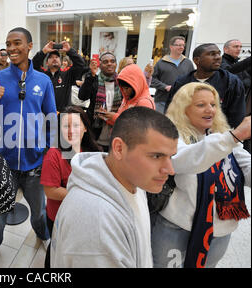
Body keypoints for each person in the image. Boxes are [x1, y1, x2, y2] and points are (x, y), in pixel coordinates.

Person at [51, 106, 179, 267]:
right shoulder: (96, 225)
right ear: (119, 149)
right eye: (156, 156)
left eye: (170, 157)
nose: (170, 170)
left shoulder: (133, 181)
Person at [152, 82, 251, 268]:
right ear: (184, 108)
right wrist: (233, 137)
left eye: (213, 104)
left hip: (220, 230)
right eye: (201, 105)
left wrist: (231, 139)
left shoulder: (224, 136)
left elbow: (247, 167)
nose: (210, 110)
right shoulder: (172, 135)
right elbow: (182, 161)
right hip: (176, 226)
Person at [0, 27, 57, 252]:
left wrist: (49, 151)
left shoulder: (43, 81)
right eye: (8, 44)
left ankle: (44, 236)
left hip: (35, 165)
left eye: (17, 43)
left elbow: (50, 118)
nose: (11, 48)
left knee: (40, 212)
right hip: (4, 165)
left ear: (30, 45)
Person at [40, 105, 101, 268]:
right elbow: (50, 190)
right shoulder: (54, 154)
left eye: (75, 125)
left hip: (82, 215)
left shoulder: (91, 151)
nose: (71, 130)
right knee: (56, 250)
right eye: (66, 126)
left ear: (85, 128)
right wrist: (83, 195)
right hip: (59, 216)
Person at [165, 43, 245, 129]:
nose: (218, 57)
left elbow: (237, 117)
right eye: (212, 54)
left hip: (219, 136)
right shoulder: (181, 82)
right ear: (196, 60)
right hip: (187, 135)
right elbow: (171, 111)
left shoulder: (231, 82)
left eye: (219, 53)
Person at [78, 52, 122, 151]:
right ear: (100, 65)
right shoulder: (94, 80)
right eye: (105, 62)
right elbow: (82, 96)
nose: (109, 64)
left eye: (112, 61)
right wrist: (91, 75)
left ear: (116, 64)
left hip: (115, 133)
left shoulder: (121, 82)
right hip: (95, 132)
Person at [32, 41, 85, 112]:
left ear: (60, 62)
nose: (54, 59)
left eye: (57, 57)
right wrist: (43, 51)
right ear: (47, 63)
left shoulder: (67, 75)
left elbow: (80, 64)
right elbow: (33, 65)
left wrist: (69, 50)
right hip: (45, 115)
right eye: (51, 57)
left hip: (63, 115)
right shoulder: (42, 75)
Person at [151, 36, 195, 113]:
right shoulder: (161, 63)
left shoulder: (188, 63)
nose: (181, 47)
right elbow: (153, 80)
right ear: (171, 47)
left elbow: (193, 80)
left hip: (182, 102)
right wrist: (165, 87)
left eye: (183, 45)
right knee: (160, 124)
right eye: (179, 45)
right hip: (162, 101)